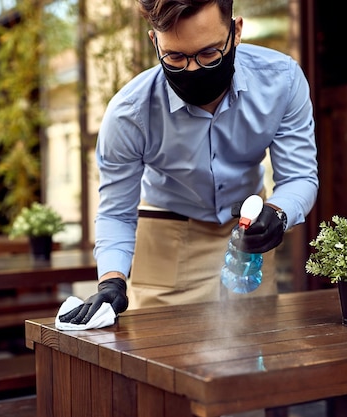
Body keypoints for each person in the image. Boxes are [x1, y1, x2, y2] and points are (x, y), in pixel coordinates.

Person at [60, 0, 318, 325]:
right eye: (176, 57)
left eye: (209, 53)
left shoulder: (282, 81)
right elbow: (115, 211)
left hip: (248, 240)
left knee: (254, 356)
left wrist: (278, 214)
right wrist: (112, 279)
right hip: (168, 242)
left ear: (236, 32)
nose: (193, 69)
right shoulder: (130, 112)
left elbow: (300, 177)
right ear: (155, 41)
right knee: (159, 363)